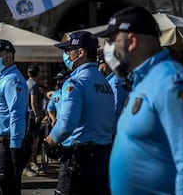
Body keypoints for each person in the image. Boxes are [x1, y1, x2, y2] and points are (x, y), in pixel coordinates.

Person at [94, 6, 183, 195]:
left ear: (131, 41)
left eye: (112, 41)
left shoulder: (173, 83)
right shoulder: (142, 82)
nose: (108, 48)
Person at [44, 30, 115, 195]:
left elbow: (67, 124)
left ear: (80, 52)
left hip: (78, 159)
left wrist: (49, 141)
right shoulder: (104, 83)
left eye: (68, 51)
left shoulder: (75, 83)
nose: (66, 55)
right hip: (103, 156)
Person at [0, 39, 29, 195]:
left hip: (8, 143)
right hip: (1, 143)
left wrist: (15, 147)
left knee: (5, 189)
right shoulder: (3, 78)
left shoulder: (12, 80)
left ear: (9, 56)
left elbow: (17, 113)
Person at [97, 52, 129, 137]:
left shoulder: (116, 81)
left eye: (101, 64)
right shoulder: (105, 81)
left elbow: (116, 107)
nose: (99, 68)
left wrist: (111, 131)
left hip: (115, 130)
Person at [23, 64, 45, 177]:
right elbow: (33, 101)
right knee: (33, 142)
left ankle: (32, 163)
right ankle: (29, 165)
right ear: (38, 73)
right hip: (33, 116)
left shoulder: (25, 84)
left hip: (26, 115)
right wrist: (37, 114)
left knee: (29, 141)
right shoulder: (34, 85)